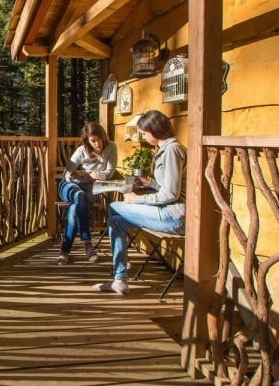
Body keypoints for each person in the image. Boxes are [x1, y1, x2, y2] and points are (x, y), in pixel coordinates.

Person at [93, 110, 186, 294]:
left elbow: (171, 194)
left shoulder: (172, 150)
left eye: (144, 132)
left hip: (174, 216)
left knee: (113, 207)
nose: (143, 136)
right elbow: (167, 186)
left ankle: (120, 267)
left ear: (155, 130)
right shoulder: (166, 149)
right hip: (167, 211)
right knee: (115, 222)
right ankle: (119, 278)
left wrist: (137, 200)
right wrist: (149, 183)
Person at [56, 122, 117, 265]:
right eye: (93, 140)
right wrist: (87, 175)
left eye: (99, 139)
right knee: (79, 196)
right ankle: (88, 245)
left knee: (74, 208)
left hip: (90, 190)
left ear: (103, 136)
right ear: (87, 140)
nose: (97, 143)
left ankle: (65, 251)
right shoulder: (81, 151)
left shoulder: (111, 148)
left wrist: (84, 174)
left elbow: (108, 173)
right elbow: (67, 175)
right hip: (69, 187)